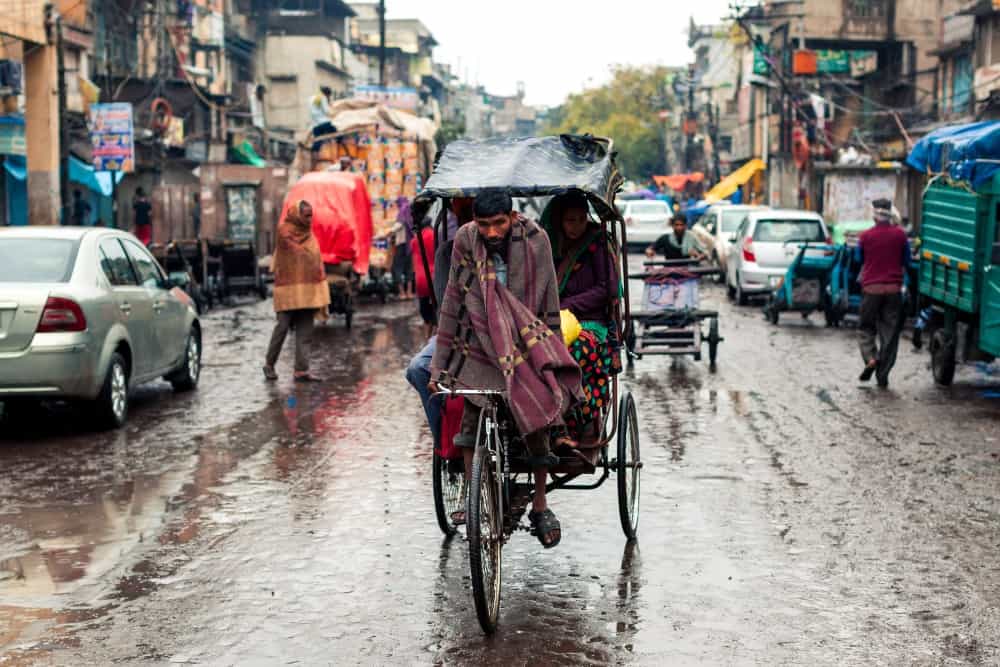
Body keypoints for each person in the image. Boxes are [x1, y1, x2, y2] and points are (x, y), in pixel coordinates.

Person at [429, 190, 583, 549]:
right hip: (479, 339)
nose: (492, 232)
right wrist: (439, 365)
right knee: (469, 420)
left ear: (512, 217)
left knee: (538, 413)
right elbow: (453, 298)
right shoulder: (466, 239)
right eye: (485, 225)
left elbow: (548, 301)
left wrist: (549, 351)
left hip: (526, 334)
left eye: (499, 223)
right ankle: (473, 497)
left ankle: (541, 504)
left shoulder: (537, 240)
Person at [545, 192, 619, 441]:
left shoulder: (597, 243)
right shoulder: (550, 245)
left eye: (580, 219)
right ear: (560, 221)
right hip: (554, 321)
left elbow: (608, 288)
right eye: (569, 221)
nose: (575, 226)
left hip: (591, 322)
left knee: (574, 351)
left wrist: (569, 305)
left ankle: (576, 420)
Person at [404, 197, 474, 458]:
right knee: (419, 368)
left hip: (501, 332)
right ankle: (445, 442)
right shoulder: (448, 252)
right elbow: (447, 305)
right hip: (457, 331)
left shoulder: (510, 246)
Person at [264, 200, 330, 383]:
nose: (310, 220)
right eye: (306, 215)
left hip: (308, 289)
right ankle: (269, 364)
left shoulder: (308, 233)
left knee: (305, 330)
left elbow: (313, 258)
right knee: (282, 327)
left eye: (311, 215)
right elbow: (300, 254)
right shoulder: (284, 231)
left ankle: (301, 370)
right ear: (297, 215)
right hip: (288, 289)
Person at [856, 198, 910, 388]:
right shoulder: (900, 236)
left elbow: (859, 259)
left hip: (871, 289)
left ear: (874, 215)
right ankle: (883, 374)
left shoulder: (865, 237)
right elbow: (907, 260)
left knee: (865, 328)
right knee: (889, 333)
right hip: (894, 290)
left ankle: (870, 358)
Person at [412, 222, 436, 339]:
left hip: (420, 278)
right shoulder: (435, 235)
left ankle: (427, 337)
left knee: (425, 312)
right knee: (436, 310)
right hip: (435, 276)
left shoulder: (416, 239)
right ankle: (433, 339)